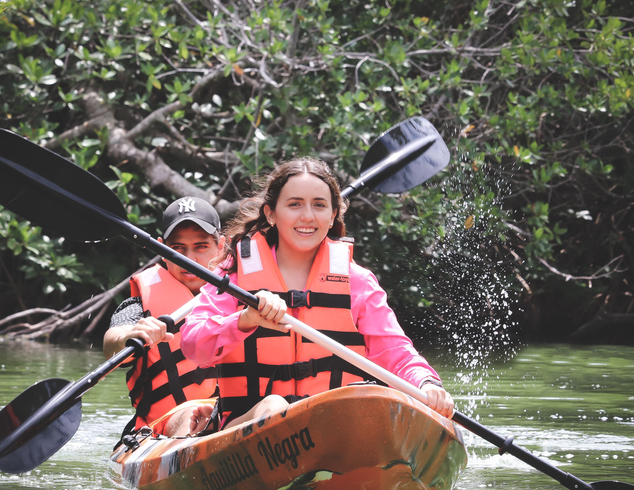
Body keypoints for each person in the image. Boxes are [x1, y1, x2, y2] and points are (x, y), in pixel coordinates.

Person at [180, 157, 453, 433]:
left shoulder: (358, 282)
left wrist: (426, 382)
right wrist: (244, 320)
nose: (308, 216)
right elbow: (193, 346)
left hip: (333, 427)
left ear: (333, 215)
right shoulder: (234, 276)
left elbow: (396, 352)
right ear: (271, 214)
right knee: (274, 406)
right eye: (295, 204)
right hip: (249, 428)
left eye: (319, 205)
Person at [103, 196, 225, 438]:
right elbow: (111, 343)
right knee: (194, 416)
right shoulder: (139, 307)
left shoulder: (243, 300)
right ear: (161, 248)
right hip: (161, 431)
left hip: (232, 419)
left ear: (221, 246)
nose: (190, 259)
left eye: (201, 246)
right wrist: (130, 335)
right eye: (178, 248)